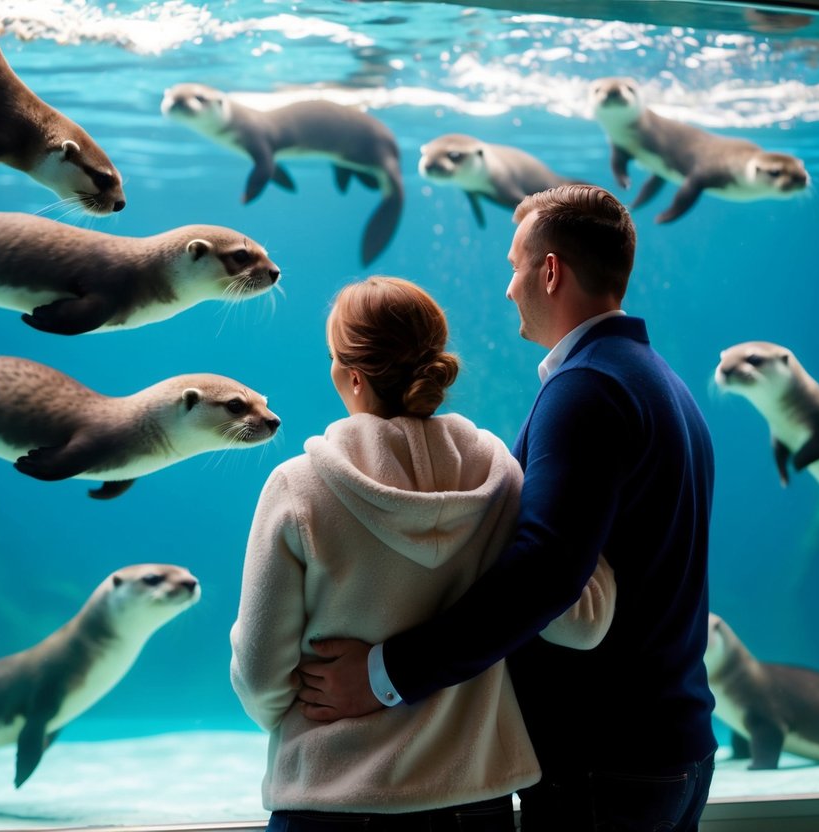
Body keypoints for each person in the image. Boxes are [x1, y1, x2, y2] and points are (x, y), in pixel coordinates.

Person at [297, 185, 717, 831]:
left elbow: (545, 573)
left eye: (514, 265)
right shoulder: (662, 383)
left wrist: (385, 675)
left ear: (549, 272)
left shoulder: (587, 389)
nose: (507, 287)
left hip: (604, 758)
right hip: (670, 743)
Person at [230, 275, 616, 832]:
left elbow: (262, 673)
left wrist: (298, 720)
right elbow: (576, 625)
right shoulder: (503, 478)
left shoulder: (298, 487)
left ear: (351, 374)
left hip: (328, 798)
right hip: (472, 804)